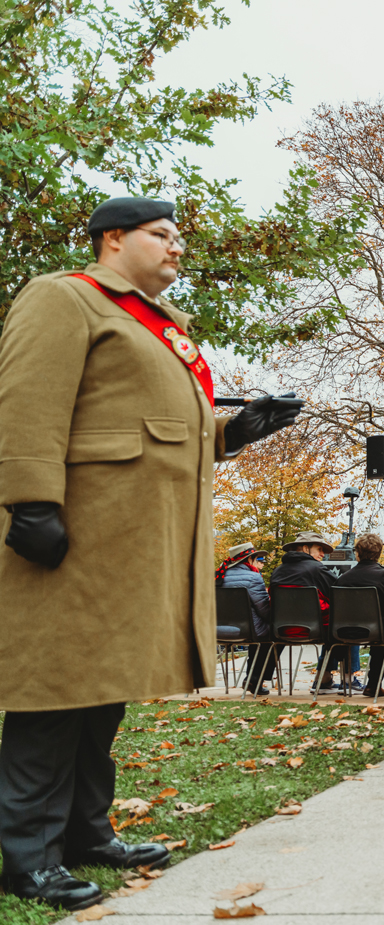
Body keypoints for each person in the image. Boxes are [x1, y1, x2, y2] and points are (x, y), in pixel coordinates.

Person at [0, 196, 299, 911]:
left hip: (126, 543)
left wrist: (235, 433)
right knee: (53, 692)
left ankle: (84, 832)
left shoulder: (156, 324)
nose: (176, 247)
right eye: (160, 235)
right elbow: (25, 401)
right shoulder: (64, 298)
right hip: (73, 531)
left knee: (101, 690)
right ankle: (27, 855)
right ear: (111, 239)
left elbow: (156, 426)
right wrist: (30, 499)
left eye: (176, 237)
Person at [268, 531, 339, 690]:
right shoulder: (317, 570)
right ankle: (331, 678)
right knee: (343, 624)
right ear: (306, 548)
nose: (322, 554)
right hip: (314, 630)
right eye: (319, 549)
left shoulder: (277, 571)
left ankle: (257, 678)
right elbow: (339, 591)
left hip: (280, 631)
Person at [337, 533, 384, 698]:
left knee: (382, 632)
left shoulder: (343, 579)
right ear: (378, 554)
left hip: (344, 631)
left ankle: (373, 686)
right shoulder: (383, 575)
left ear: (357, 554)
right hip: (376, 631)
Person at [215, 543, 275, 693]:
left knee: (260, 633)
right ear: (249, 560)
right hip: (246, 631)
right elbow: (265, 610)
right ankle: (254, 679)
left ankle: (252, 679)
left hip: (217, 629)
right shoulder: (253, 578)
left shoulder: (216, 576)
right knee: (268, 635)